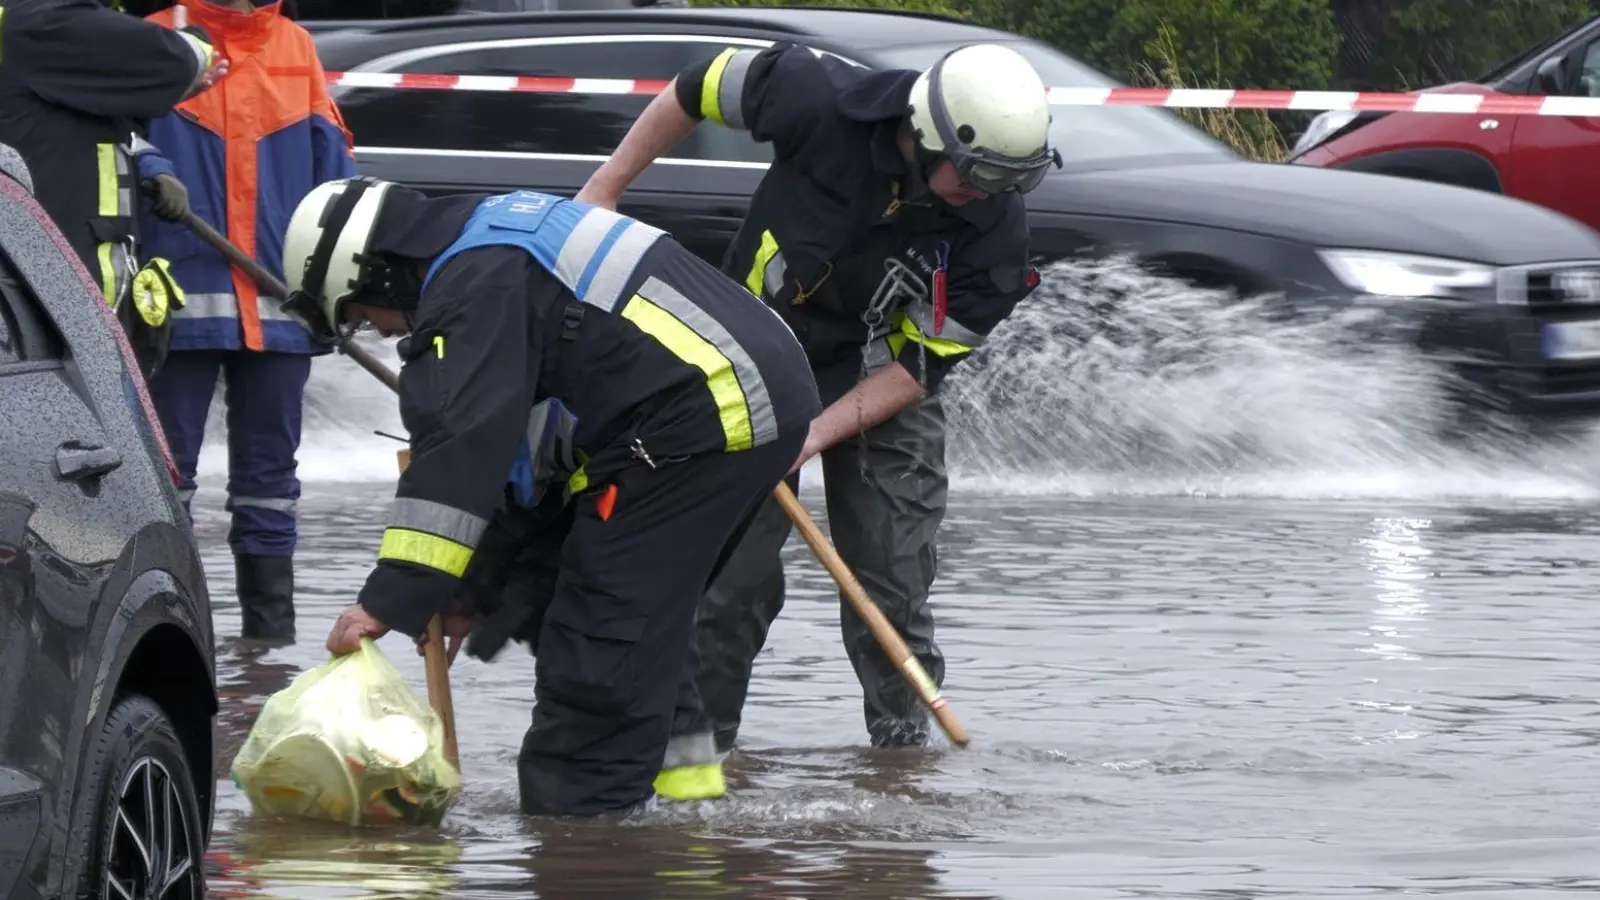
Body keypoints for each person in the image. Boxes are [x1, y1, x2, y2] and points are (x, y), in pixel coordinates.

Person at [576, 41, 1059, 751]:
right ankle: (701, 762)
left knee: (892, 583)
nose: (988, 194)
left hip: (877, 380)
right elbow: (692, 88)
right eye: (981, 173)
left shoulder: (997, 233)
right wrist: (603, 192)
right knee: (730, 584)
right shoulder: (811, 94)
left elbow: (916, 371)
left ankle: (902, 769)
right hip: (745, 365)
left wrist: (808, 437)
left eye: (1011, 181)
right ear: (928, 133)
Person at [294, 178, 821, 815]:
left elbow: (461, 455)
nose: (379, 330)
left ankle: (580, 835)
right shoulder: (492, 236)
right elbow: (520, 463)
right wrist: (468, 591)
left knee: (601, 633)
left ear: (373, 273)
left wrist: (389, 599)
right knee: (614, 608)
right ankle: (684, 808)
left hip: (702, 415)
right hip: (737, 400)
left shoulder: (472, 286)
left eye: (360, 318)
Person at [134, 0, 358, 643]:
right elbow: (113, 131)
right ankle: (169, 636)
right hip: (180, 293)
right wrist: (150, 165)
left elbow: (333, 166)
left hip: (279, 300)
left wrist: (340, 282)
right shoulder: (156, 37)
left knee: (270, 485)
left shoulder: (293, 45)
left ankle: (268, 646)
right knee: (164, 476)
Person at [0, 0, 225, 368]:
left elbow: (78, 123)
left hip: (51, 299)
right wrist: (194, 41)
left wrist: (151, 164)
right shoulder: (44, 19)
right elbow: (178, 60)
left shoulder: (31, 28)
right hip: (56, 305)